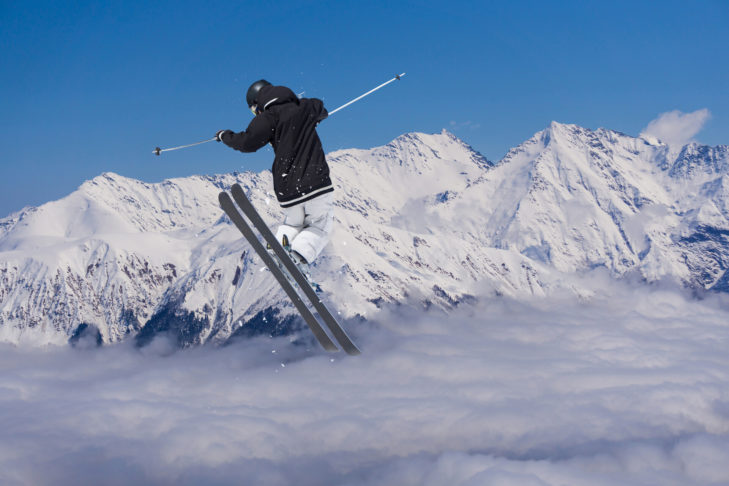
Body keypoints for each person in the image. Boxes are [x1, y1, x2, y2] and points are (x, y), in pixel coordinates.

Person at [215, 80, 334, 272]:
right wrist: (314, 118)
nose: (256, 114)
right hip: (315, 182)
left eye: (254, 110)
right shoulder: (304, 107)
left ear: (258, 103)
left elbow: (247, 143)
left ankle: (279, 246)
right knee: (320, 226)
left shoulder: (268, 118)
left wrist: (224, 136)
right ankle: (297, 257)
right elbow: (321, 107)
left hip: (287, 188)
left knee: (293, 223)